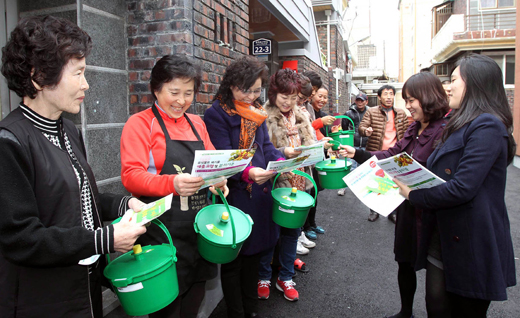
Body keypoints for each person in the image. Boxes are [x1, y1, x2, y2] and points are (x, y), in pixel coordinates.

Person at [0, 16, 147, 317]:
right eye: (78, 73)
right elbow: (22, 238)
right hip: (41, 298)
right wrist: (103, 239)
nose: (86, 84)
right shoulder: (9, 141)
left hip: (83, 286)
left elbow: (80, 196)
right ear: (39, 76)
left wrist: (124, 204)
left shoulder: (68, 130)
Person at [394, 54, 516, 318]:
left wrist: (413, 193)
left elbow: (463, 187)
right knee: (436, 307)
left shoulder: (488, 125)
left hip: (472, 237)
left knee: (463, 310)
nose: (448, 87)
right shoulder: (460, 123)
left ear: (475, 83)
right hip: (444, 234)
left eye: (453, 80)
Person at [120, 54, 228, 318]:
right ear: (156, 89)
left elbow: (212, 165)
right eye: (174, 92)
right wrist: (173, 183)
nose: (182, 101)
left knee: (195, 299)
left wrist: (218, 181)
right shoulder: (140, 124)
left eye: (189, 93)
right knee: (166, 307)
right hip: (161, 230)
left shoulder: (197, 123)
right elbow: (131, 176)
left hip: (200, 227)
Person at [344, 72, 449, 318]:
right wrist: (356, 153)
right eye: (407, 100)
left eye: (411, 100)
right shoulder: (414, 127)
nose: (408, 105)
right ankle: (406, 311)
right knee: (405, 263)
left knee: (436, 282)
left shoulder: (445, 130)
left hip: (432, 211)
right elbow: (393, 154)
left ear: (428, 97)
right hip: (408, 207)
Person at [204, 56, 283, 318]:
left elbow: (267, 148)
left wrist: (282, 161)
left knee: (253, 257)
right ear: (231, 85)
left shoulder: (258, 110)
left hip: (259, 194)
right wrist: (249, 173)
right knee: (234, 260)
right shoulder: (216, 113)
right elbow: (225, 157)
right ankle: (236, 312)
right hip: (235, 194)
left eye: (256, 89)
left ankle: (251, 309)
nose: (250, 96)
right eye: (245, 90)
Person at [259, 69, 317, 302]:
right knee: (270, 233)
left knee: (292, 231)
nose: (289, 102)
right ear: (273, 94)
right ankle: (263, 277)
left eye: (293, 98)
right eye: (284, 97)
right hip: (274, 182)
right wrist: (285, 153)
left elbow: (310, 144)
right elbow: (260, 152)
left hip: (299, 179)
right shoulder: (262, 116)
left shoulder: (302, 114)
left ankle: (286, 277)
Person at [358, 85, 409, 222]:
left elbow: (406, 134)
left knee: (394, 183)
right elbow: (361, 127)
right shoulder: (372, 112)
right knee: (375, 182)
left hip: (396, 154)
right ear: (379, 97)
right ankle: (374, 210)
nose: (389, 97)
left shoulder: (401, 113)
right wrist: (366, 131)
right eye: (385, 94)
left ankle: (392, 211)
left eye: (391, 94)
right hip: (376, 151)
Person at [337, 92, 371, 196]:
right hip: (353, 144)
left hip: (366, 144)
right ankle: (343, 187)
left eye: (362, 100)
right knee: (350, 167)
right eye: (358, 100)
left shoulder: (371, 112)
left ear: (366, 101)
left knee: (365, 168)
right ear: (355, 101)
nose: (360, 103)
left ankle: (363, 189)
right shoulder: (349, 113)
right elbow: (344, 128)